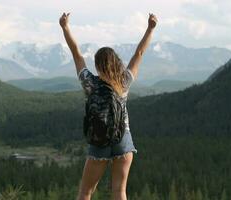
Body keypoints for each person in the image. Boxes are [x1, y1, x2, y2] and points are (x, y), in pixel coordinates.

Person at [59, 12, 157, 200]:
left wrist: (65, 27)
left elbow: (76, 53)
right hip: (123, 138)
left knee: (85, 192)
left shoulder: (89, 82)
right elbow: (139, 53)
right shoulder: (123, 82)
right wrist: (150, 28)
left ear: (97, 65)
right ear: (115, 63)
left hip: (99, 140)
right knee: (119, 191)